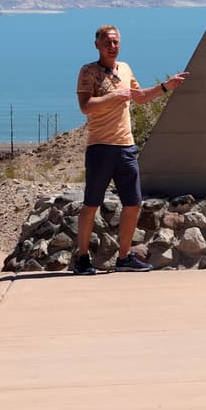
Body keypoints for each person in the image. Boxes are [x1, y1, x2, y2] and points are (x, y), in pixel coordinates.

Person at [71, 24, 189, 275]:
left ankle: (124, 258)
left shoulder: (124, 68)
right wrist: (114, 97)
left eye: (115, 42)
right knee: (91, 203)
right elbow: (85, 106)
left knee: (133, 203)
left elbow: (140, 96)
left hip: (126, 146)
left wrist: (166, 86)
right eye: (107, 42)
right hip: (100, 146)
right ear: (97, 45)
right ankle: (82, 258)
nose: (112, 46)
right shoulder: (88, 71)